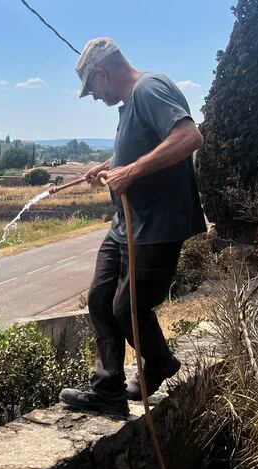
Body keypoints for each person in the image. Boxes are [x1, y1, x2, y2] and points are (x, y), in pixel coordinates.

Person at [57, 38, 206, 415]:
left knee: (128, 307)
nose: (92, 96)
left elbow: (189, 137)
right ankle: (107, 390)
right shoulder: (130, 105)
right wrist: (110, 166)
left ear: (102, 74)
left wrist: (133, 170)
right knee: (100, 300)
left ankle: (160, 363)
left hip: (155, 227)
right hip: (125, 225)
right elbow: (140, 148)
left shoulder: (150, 88)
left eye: (91, 88)